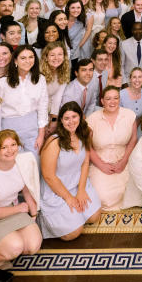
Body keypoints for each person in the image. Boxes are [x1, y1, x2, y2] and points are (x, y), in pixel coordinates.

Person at [38, 101, 103, 240]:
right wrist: (68, 197)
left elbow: (85, 163)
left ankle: (74, 216)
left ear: (80, 117)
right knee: (73, 233)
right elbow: (48, 176)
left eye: (74, 117)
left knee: (94, 216)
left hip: (76, 183)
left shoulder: (83, 134)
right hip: (56, 189)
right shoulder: (54, 142)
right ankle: (46, 220)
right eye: (66, 118)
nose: (71, 122)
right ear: (61, 120)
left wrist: (81, 190)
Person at [0, 130, 42, 282]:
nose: (10, 150)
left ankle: (7, 243)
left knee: (33, 245)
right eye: (4, 147)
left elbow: (26, 190)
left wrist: (33, 214)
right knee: (16, 247)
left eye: (13, 145)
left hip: (13, 210)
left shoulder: (21, 164)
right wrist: (20, 209)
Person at [86, 86, 138, 211]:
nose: (112, 102)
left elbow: (132, 141)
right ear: (102, 101)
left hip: (123, 159)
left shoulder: (130, 115)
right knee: (103, 197)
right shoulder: (92, 119)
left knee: (132, 193)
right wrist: (101, 165)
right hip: (101, 161)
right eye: (108, 99)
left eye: (116, 98)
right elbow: (87, 146)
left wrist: (124, 161)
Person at [0, 45, 49, 154]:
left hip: (32, 128)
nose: (28, 61)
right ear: (15, 61)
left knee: (33, 164)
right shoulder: (1, 83)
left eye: (31, 57)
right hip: (9, 129)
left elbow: (43, 106)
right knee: (14, 165)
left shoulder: (40, 79)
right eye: (23, 58)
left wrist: (41, 135)